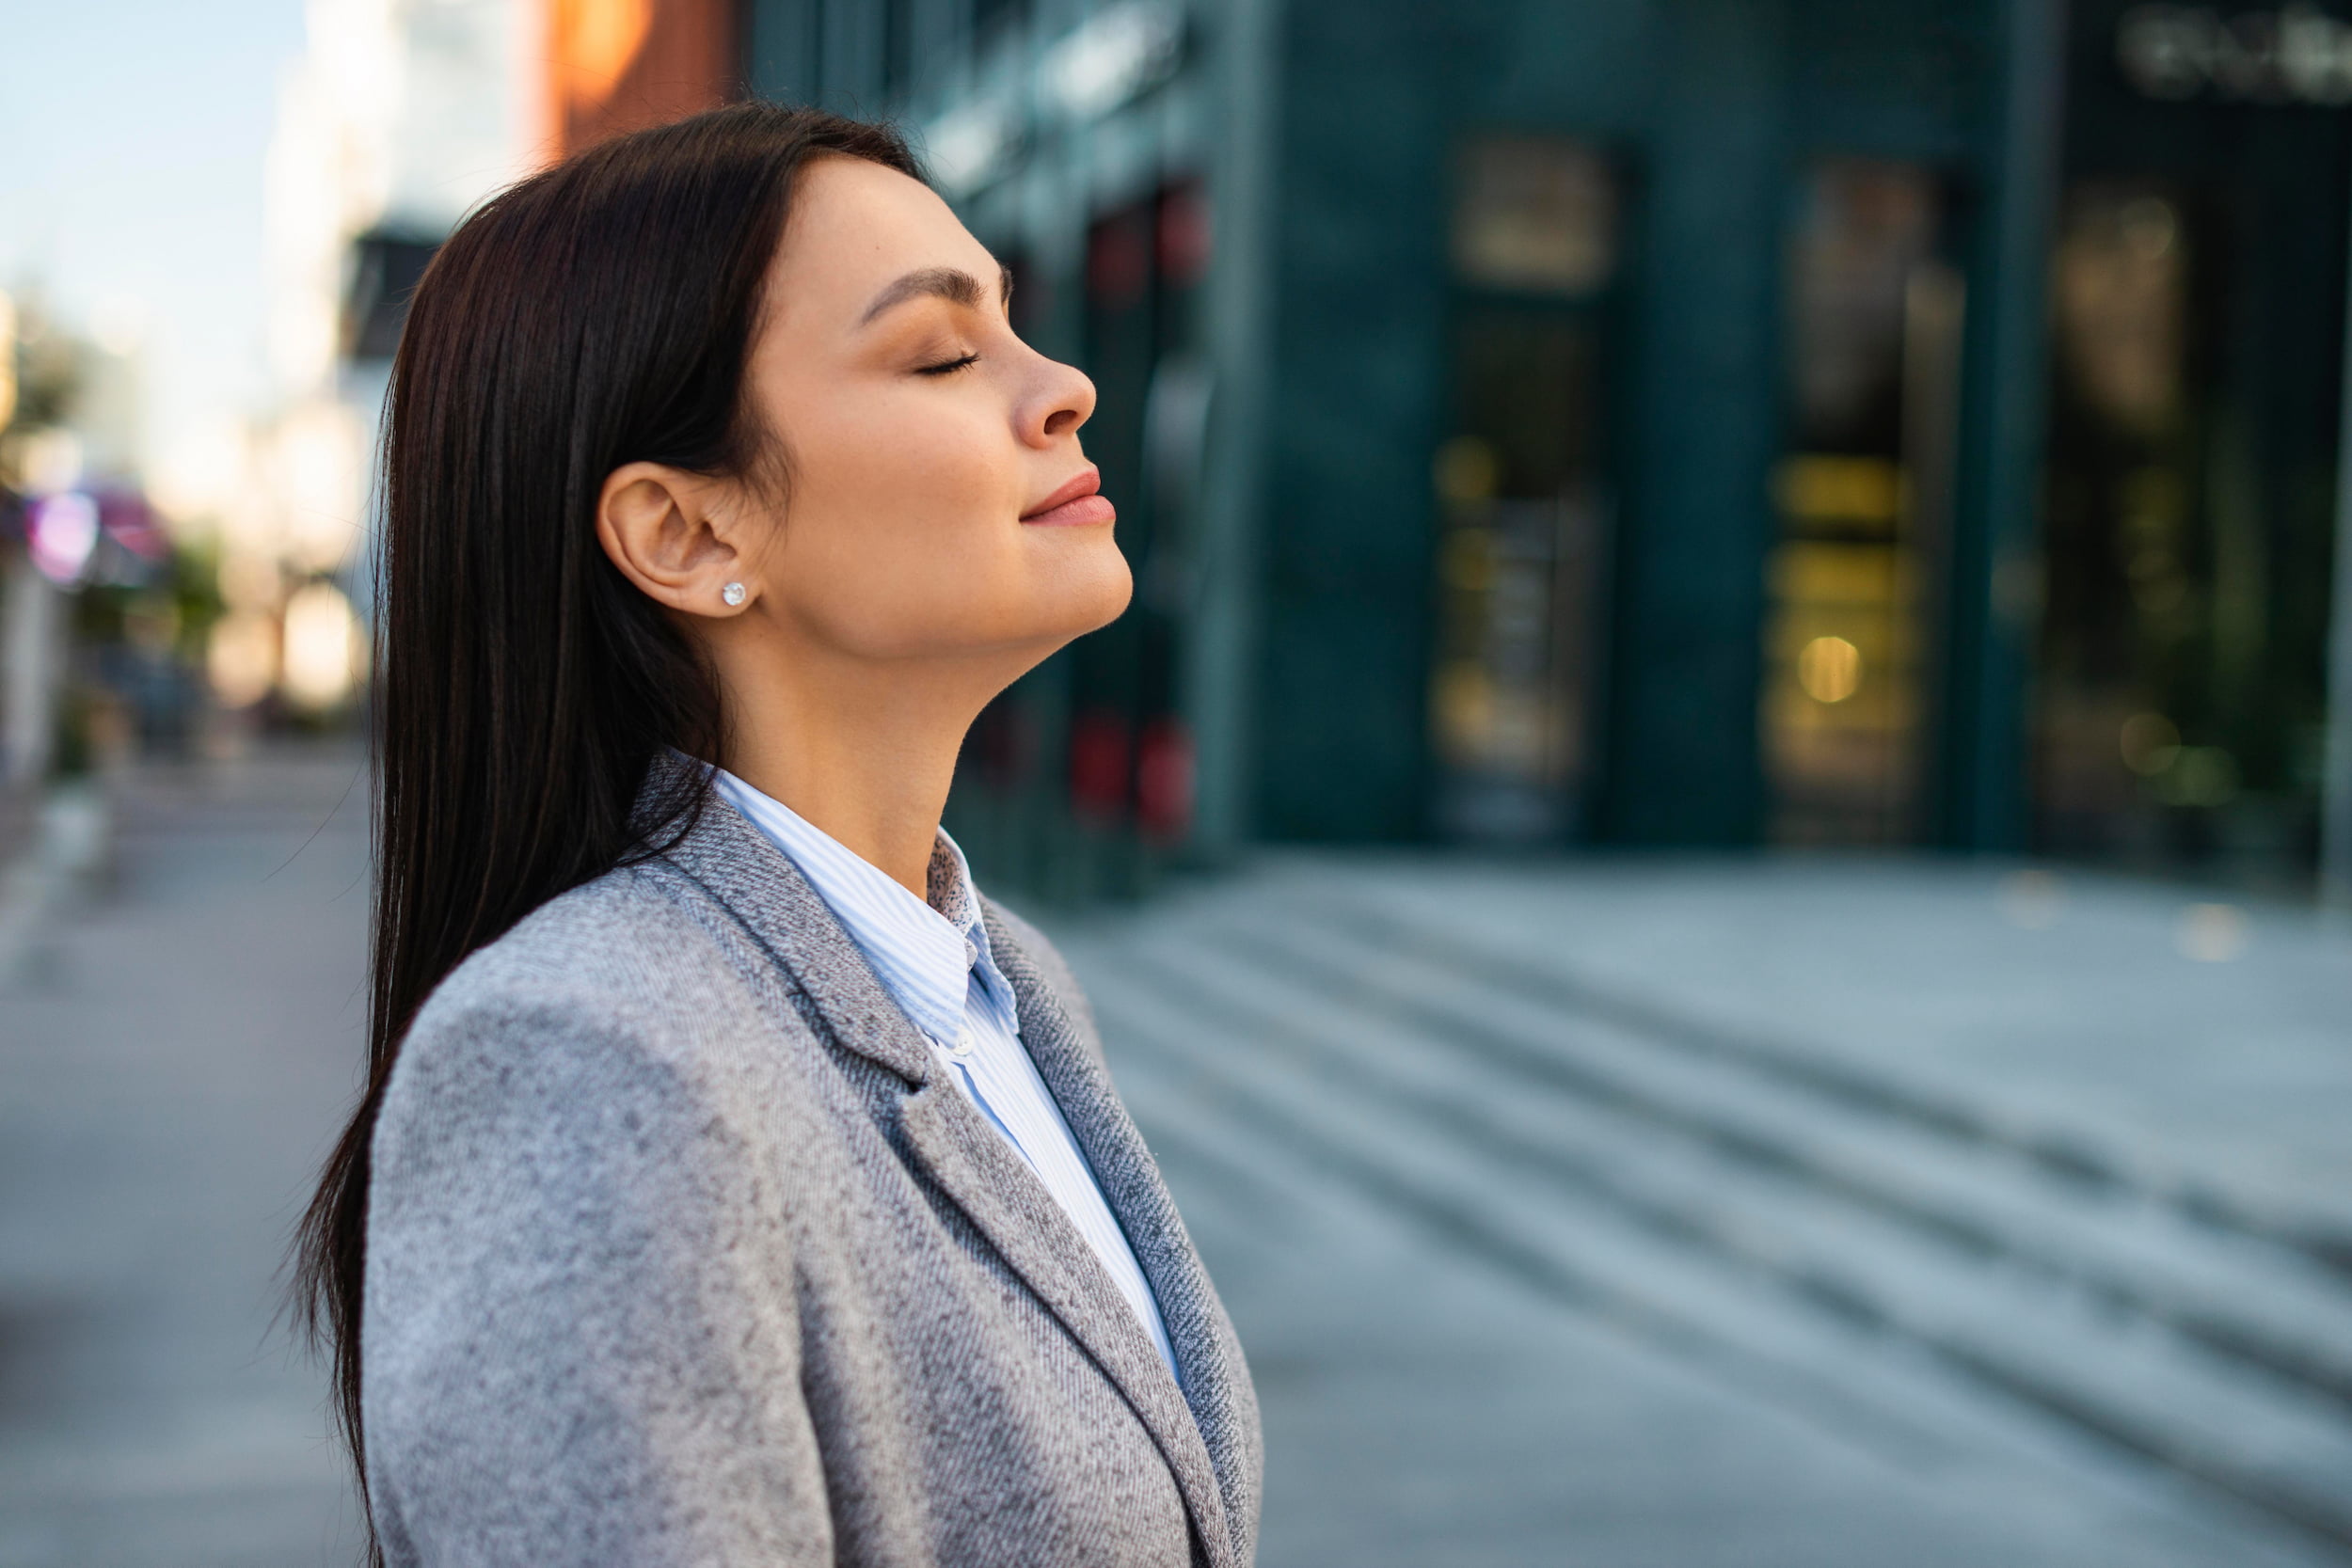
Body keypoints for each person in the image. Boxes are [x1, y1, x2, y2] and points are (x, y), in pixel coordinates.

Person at [294, 103, 1262, 1567]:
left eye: (1013, 323)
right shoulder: (594, 1062)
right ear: (688, 534)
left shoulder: (1008, 992)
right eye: (943, 354)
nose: (1063, 385)